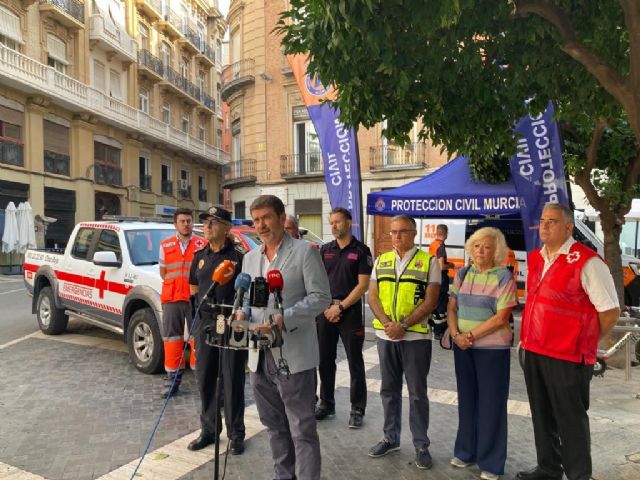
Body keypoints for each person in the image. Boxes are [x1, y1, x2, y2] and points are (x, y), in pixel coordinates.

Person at [517, 203, 619, 480]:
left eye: (552, 221)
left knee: (570, 420)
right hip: (534, 350)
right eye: (542, 221)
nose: (545, 226)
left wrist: (585, 341)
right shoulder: (537, 258)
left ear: (569, 227)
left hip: (568, 357)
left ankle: (578, 475)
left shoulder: (588, 262)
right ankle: (548, 468)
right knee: (542, 415)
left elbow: (610, 311)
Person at [238, 194, 331, 480]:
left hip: (294, 356)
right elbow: (247, 301)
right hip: (258, 357)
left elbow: (321, 298)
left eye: (266, 217)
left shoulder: (305, 252)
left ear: (281, 218)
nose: (261, 225)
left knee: (302, 429)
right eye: (256, 220)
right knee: (274, 426)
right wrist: (240, 315)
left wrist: (284, 318)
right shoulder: (249, 258)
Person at [367, 214, 440, 470]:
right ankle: (390, 438)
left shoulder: (429, 261)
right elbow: (372, 296)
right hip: (385, 336)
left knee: (417, 394)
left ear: (414, 233)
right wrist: (388, 323)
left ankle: (421, 444)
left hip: (415, 338)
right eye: (393, 232)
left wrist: (403, 325)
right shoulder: (382, 260)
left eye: (402, 232)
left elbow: (431, 300)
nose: (397, 236)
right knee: (389, 390)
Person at [447, 227, 518, 480]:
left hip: (492, 351)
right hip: (462, 347)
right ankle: (466, 452)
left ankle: (491, 463)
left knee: (491, 405)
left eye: (487, 247)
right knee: (467, 401)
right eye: (477, 246)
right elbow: (451, 307)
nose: (481, 251)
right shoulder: (463, 273)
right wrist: (456, 335)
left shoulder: (503, 277)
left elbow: (502, 317)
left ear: (496, 251)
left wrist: (471, 336)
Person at [187, 206, 247, 454]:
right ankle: (209, 430)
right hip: (206, 324)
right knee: (205, 378)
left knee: (233, 379)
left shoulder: (238, 257)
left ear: (226, 227)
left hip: (231, 324)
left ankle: (236, 434)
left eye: (213, 222)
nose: (207, 226)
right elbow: (192, 289)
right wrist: (196, 322)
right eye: (205, 222)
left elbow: (246, 293)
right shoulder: (200, 255)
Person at [315, 207, 373, 428]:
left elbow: (363, 285)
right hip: (325, 312)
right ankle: (326, 403)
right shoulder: (325, 250)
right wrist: (327, 307)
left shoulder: (361, 250)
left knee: (355, 362)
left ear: (349, 223)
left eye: (338, 222)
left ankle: (357, 408)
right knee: (324, 361)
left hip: (349, 313)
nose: (334, 226)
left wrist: (340, 307)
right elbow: (318, 281)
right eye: (331, 222)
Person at [159, 208, 205, 398]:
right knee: (172, 340)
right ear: (175, 224)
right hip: (172, 298)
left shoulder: (202, 244)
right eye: (182, 221)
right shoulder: (165, 245)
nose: (186, 224)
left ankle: (202, 380)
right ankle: (172, 381)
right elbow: (163, 272)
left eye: (189, 221)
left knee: (198, 339)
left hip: (195, 299)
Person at [429, 224, 456, 337]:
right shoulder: (441, 246)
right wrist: (451, 265)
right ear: (446, 233)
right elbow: (441, 266)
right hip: (440, 279)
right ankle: (439, 331)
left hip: (432, 277)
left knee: (434, 303)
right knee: (441, 304)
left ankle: (432, 325)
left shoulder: (433, 244)